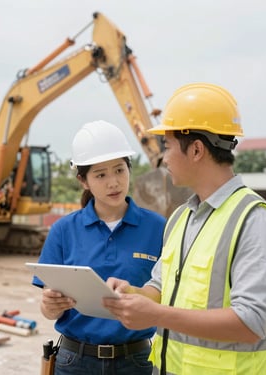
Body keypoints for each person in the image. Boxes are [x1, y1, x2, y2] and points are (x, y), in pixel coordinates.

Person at [103, 83, 266, 375]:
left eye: (167, 146)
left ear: (196, 149)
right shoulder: (180, 218)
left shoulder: (255, 221)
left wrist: (156, 315)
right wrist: (131, 294)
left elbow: (251, 323)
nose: (164, 158)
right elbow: (162, 289)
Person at [32, 120, 166, 374]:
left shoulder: (158, 228)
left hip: (136, 361)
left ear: (129, 169)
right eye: (101, 175)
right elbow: (48, 310)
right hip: (75, 361)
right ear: (84, 181)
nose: (113, 182)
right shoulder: (63, 230)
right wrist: (49, 307)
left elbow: (169, 296)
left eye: (119, 170)